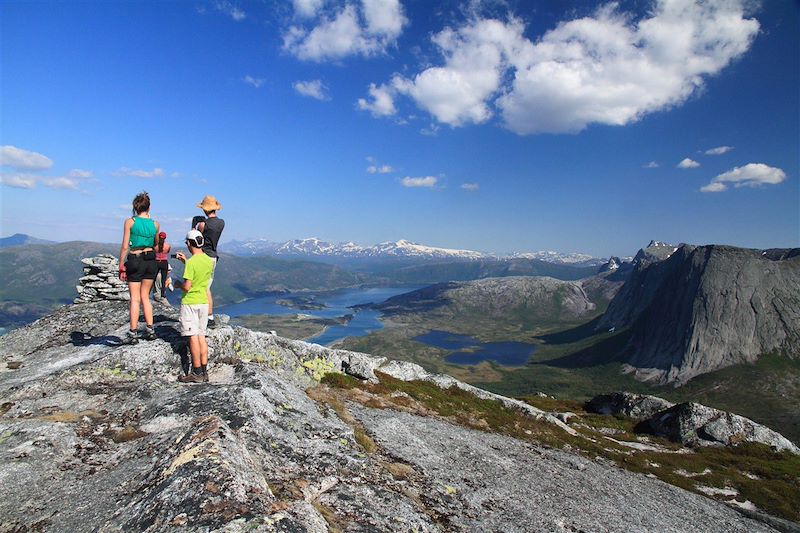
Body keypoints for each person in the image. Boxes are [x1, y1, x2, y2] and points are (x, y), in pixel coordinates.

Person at [119, 191, 159, 344]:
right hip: (150, 260)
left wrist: (121, 265)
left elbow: (124, 246)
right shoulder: (155, 224)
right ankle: (150, 329)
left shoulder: (130, 222)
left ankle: (133, 332)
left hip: (135, 259)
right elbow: (156, 245)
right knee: (145, 297)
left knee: (135, 299)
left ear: (135, 207)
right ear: (149, 207)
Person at [175, 229, 214, 383]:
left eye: (187, 242)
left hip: (190, 303)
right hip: (203, 302)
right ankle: (204, 372)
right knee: (201, 336)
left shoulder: (191, 263)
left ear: (190, 243)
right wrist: (186, 261)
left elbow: (187, 286)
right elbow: (200, 276)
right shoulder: (207, 260)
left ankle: (196, 373)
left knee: (193, 337)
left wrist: (177, 284)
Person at [194, 195, 225, 328]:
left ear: (205, 209)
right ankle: (209, 316)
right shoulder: (222, 222)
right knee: (207, 286)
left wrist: (195, 226)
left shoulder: (202, 225)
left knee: (202, 287)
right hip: (213, 257)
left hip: (203, 256)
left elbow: (195, 240)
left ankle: (208, 316)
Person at [153, 231, 173, 301]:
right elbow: (167, 252)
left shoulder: (155, 246)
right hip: (164, 262)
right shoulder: (168, 246)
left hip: (156, 262)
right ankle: (162, 294)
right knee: (163, 279)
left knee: (154, 278)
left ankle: (151, 291)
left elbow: (153, 251)